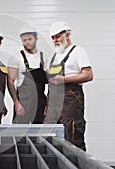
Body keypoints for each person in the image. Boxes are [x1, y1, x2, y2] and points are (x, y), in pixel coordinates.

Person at [44, 21, 93, 151]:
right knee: (52, 141)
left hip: (70, 102)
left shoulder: (78, 51)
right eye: (53, 37)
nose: (55, 40)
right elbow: (51, 81)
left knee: (72, 138)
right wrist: (47, 105)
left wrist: (64, 79)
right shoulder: (54, 56)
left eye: (58, 36)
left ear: (67, 34)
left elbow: (88, 75)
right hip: (53, 105)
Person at [7, 25, 48, 124]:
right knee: (19, 136)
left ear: (36, 38)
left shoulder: (43, 58)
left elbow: (51, 82)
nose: (27, 42)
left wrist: (48, 104)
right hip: (23, 104)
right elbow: (10, 82)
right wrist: (16, 103)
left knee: (39, 137)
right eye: (24, 40)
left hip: (40, 105)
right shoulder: (16, 57)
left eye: (30, 39)